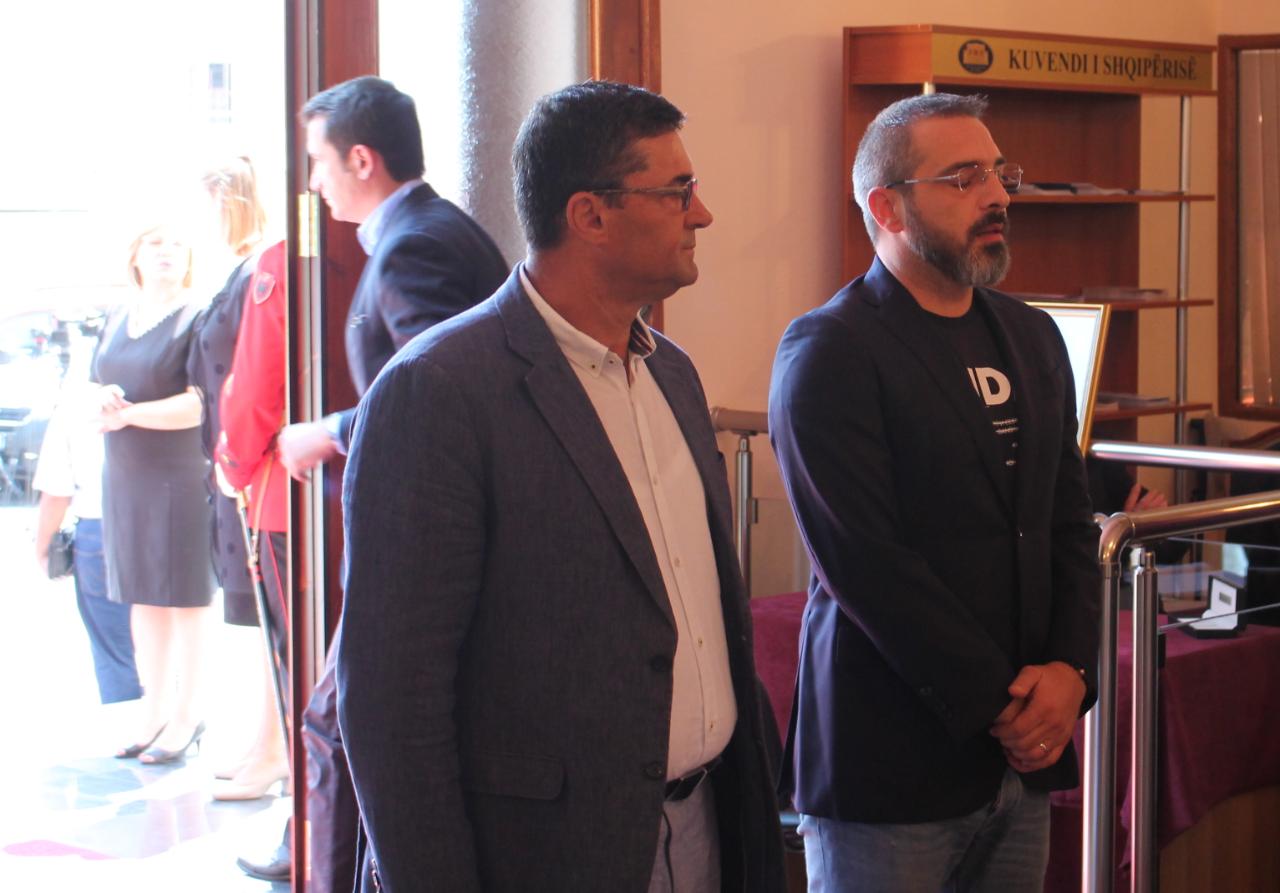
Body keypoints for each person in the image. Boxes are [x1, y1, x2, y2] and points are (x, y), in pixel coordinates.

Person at [336, 80, 786, 893]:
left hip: (707, 824)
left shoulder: (673, 375)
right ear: (590, 216)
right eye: (677, 191)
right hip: (545, 854)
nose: (702, 214)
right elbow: (390, 702)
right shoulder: (440, 390)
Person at [768, 92, 1100, 892]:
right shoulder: (832, 348)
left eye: (998, 173)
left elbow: (1066, 522)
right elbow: (869, 565)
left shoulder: (1032, 334)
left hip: (1021, 765)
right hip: (891, 765)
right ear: (887, 207)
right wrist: (1007, 706)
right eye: (963, 178)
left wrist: (1071, 670)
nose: (996, 196)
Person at [235, 75, 508, 888]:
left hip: (426, 534)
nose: (312, 183)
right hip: (439, 525)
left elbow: (445, 393)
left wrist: (326, 432)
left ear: (361, 159)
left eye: (318, 162)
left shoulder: (416, 244)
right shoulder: (436, 228)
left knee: (342, 722)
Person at [185, 157, 290, 800]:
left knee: (276, 621)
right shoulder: (241, 269)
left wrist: (235, 462)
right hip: (241, 462)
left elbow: (255, 377)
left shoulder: (264, 267)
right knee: (263, 622)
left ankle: (276, 749)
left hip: (255, 466)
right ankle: (266, 741)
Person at [93, 225, 216, 765]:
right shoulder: (118, 314)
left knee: (185, 596)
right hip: (125, 474)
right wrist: (102, 399)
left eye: (176, 243)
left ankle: (189, 714)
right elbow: (95, 381)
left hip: (179, 476)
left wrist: (130, 416)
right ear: (135, 255)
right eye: (155, 243)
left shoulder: (198, 316)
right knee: (142, 593)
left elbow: (201, 402)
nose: (166, 252)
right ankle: (154, 709)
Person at [33, 384, 142, 707]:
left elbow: (56, 492)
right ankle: (174, 717)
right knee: (170, 637)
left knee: (114, 651)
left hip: (99, 528)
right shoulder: (164, 385)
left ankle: (130, 720)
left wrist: (43, 547)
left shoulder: (77, 400)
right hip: (167, 525)